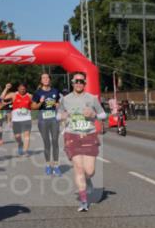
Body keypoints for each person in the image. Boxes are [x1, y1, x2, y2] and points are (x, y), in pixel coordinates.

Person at [59, 73, 105, 212]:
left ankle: (88, 179)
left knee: (89, 171)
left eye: (81, 81)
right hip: (72, 135)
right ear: (72, 83)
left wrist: (94, 115)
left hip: (89, 135)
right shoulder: (65, 99)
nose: (78, 83)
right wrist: (62, 115)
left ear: (85, 83)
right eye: (76, 81)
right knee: (78, 168)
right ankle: (84, 201)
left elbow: (103, 114)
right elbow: (58, 114)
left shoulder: (92, 98)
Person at [32, 73, 63, 176]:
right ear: (41, 80)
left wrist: (56, 104)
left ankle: (56, 166)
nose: (45, 79)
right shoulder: (38, 93)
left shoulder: (55, 91)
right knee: (47, 143)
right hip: (43, 120)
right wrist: (40, 102)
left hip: (54, 118)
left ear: (50, 79)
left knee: (55, 141)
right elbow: (33, 107)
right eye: (43, 78)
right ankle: (48, 165)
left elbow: (59, 103)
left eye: (47, 77)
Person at [0, 81, 34, 155]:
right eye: (21, 89)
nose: (22, 90)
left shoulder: (30, 96)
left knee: (27, 136)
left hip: (27, 119)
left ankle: (25, 151)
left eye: (24, 89)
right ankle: (20, 144)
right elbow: (2, 97)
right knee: (17, 136)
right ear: (18, 88)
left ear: (26, 89)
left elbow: (33, 105)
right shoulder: (13, 95)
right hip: (16, 120)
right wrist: (6, 88)